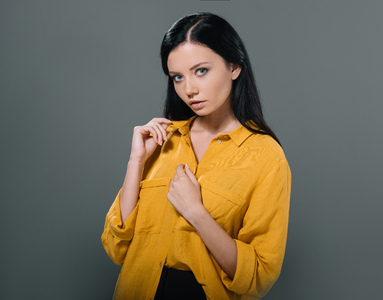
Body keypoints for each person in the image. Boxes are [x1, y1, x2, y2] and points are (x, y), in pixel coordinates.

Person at [101, 12, 291, 300]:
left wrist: (196, 213)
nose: (188, 89)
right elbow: (117, 248)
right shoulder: (162, 141)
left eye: (201, 70)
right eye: (177, 77)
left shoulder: (265, 156)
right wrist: (136, 162)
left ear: (234, 67)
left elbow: (257, 277)